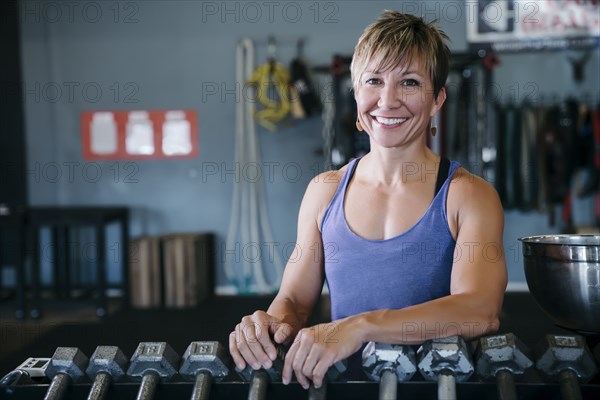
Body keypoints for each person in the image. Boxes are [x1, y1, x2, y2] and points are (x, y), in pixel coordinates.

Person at [229, 10, 507, 389]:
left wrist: (359, 327)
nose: (388, 100)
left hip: (439, 389)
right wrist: (266, 327)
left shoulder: (468, 195)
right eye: (374, 81)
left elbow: (480, 310)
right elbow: (293, 301)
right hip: (343, 388)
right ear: (357, 93)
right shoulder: (324, 191)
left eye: (409, 82)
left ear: (437, 99)